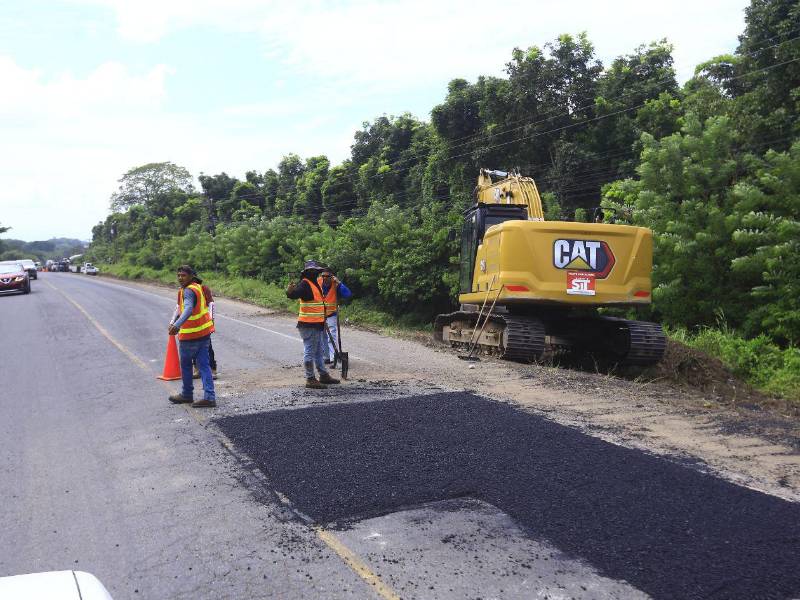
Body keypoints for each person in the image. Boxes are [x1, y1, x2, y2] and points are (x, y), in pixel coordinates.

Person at [286, 260, 341, 389]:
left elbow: (318, 304)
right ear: (307, 272)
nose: (315, 273)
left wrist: (323, 320)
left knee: (318, 351)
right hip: (308, 324)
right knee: (310, 351)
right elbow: (294, 294)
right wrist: (290, 291)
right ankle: (310, 378)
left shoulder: (314, 283)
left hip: (317, 323)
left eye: (316, 271)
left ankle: (323, 375)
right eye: (313, 271)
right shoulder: (305, 284)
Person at [167, 265, 216, 407]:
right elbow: (182, 309)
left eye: (183, 275)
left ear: (191, 276)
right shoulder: (197, 287)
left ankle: (187, 394)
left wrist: (177, 325)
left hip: (190, 336)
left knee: (186, 365)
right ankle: (209, 397)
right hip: (204, 334)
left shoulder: (188, 291)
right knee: (204, 366)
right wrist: (173, 322)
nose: (180, 278)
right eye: (178, 275)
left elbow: (188, 309)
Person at [317, 267, 352, 365]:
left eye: (327, 276)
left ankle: (334, 357)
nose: (324, 278)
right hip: (319, 313)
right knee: (322, 336)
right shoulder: (318, 282)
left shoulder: (335, 284)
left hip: (331, 314)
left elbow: (348, 294)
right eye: (323, 276)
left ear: (332, 276)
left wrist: (339, 283)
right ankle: (326, 357)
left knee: (331, 335)